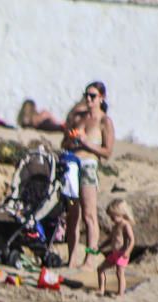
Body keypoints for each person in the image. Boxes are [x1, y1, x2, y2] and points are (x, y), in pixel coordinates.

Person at [63, 81, 116, 268]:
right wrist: (72, 140)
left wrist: (86, 143)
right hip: (72, 164)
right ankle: (72, 258)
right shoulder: (79, 118)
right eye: (86, 95)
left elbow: (107, 151)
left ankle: (90, 258)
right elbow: (65, 143)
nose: (88, 99)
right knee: (72, 214)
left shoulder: (104, 121)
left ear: (102, 98)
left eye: (93, 96)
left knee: (89, 214)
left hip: (89, 165)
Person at [97, 199, 136, 298]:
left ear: (121, 214)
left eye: (112, 216)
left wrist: (128, 251)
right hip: (114, 254)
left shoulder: (125, 225)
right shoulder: (115, 226)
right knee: (100, 269)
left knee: (119, 272)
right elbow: (110, 239)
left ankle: (120, 293)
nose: (111, 219)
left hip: (122, 254)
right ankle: (101, 289)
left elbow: (132, 240)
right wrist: (100, 247)